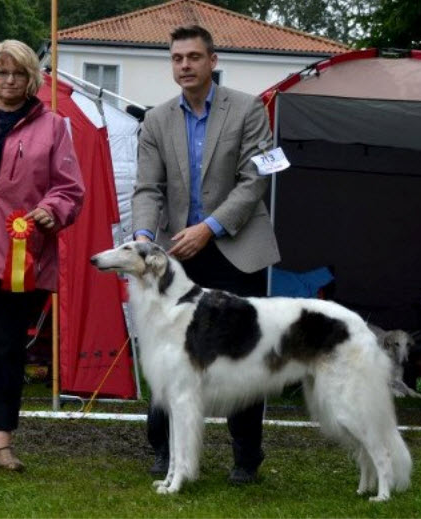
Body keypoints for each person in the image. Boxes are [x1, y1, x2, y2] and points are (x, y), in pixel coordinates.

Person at [132, 25, 280, 484]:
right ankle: (163, 450)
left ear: (212, 61)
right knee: (165, 355)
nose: (185, 66)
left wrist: (209, 227)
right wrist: (141, 239)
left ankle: (246, 458)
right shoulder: (156, 120)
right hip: (177, 255)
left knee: (245, 357)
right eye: (177, 58)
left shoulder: (250, 108)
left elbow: (256, 180)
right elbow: (147, 189)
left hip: (237, 250)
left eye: (194, 57)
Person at [0, 40, 84, 471]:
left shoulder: (52, 126)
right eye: (2, 72)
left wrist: (51, 210)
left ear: (32, 78)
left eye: (18, 73)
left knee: (6, 348)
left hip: (22, 260)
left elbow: (69, 188)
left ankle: (2, 442)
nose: (9, 80)